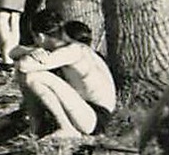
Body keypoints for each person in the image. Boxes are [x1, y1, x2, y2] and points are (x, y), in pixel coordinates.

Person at [10, 8, 118, 140]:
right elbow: (13, 52)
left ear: (41, 37)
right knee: (26, 74)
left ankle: (66, 128)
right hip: (83, 110)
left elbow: (23, 66)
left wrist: (30, 54)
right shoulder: (64, 46)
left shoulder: (72, 51)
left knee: (32, 76)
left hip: (95, 117)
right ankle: (36, 127)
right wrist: (31, 51)